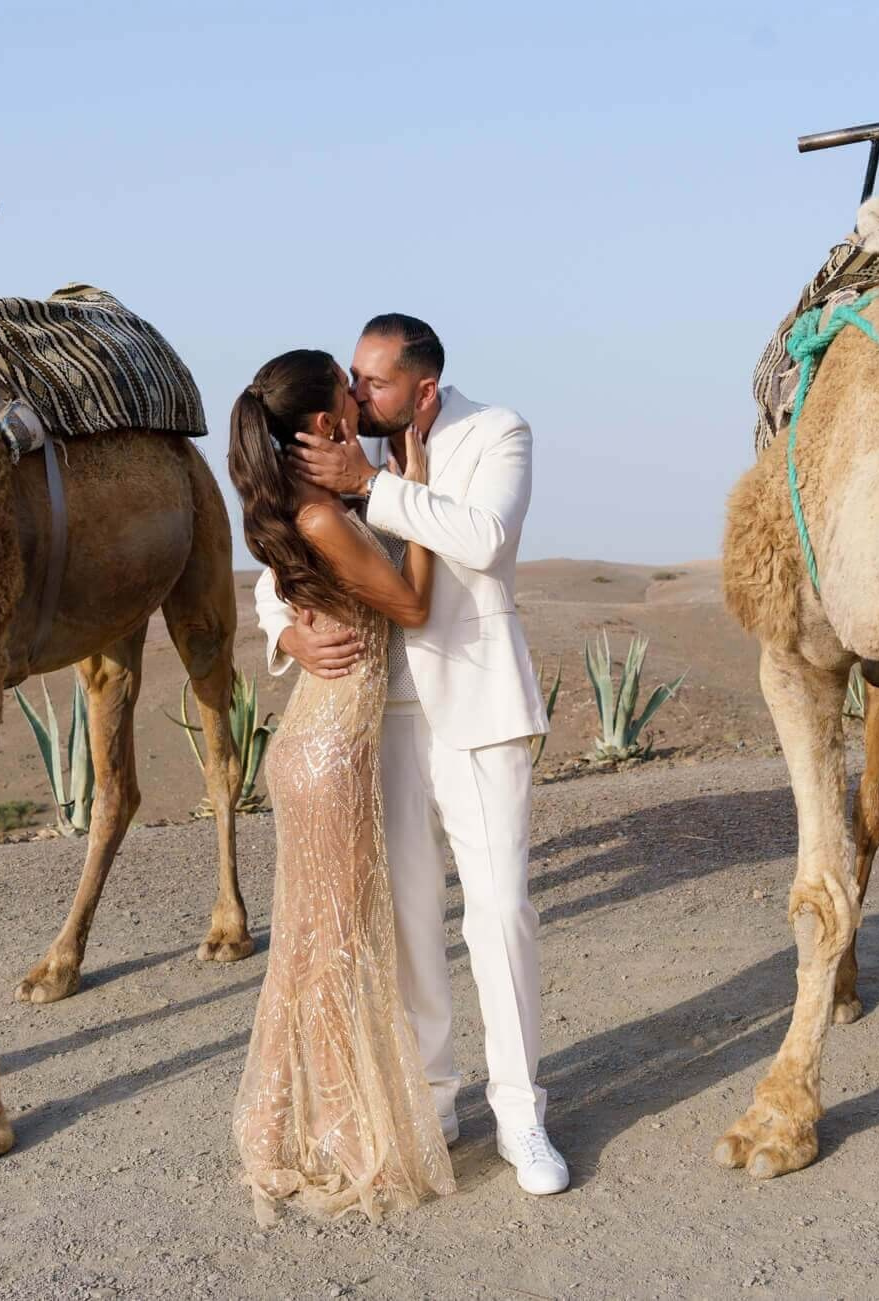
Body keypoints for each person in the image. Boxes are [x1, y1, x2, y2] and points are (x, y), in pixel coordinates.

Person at [256, 314, 567, 1196]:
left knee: (500, 912)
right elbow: (278, 556)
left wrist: (377, 489)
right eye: (352, 380)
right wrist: (288, 632)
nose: (355, 396)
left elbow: (485, 542)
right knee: (409, 921)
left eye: (375, 383)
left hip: (478, 707)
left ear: (423, 389)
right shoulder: (341, 450)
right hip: (376, 718)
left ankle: (521, 1115)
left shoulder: (497, 432)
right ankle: (436, 1098)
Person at [227, 348, 455, 1222]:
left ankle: (291, 1125)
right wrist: (419, 490)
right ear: (325, 424)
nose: (359, 400)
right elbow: (411, 606)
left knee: (319, 945)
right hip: (327, 759)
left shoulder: (305, 507)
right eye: (344, 391)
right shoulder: (319, 517)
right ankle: (343, 1138)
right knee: (333, 948)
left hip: (323, 750)